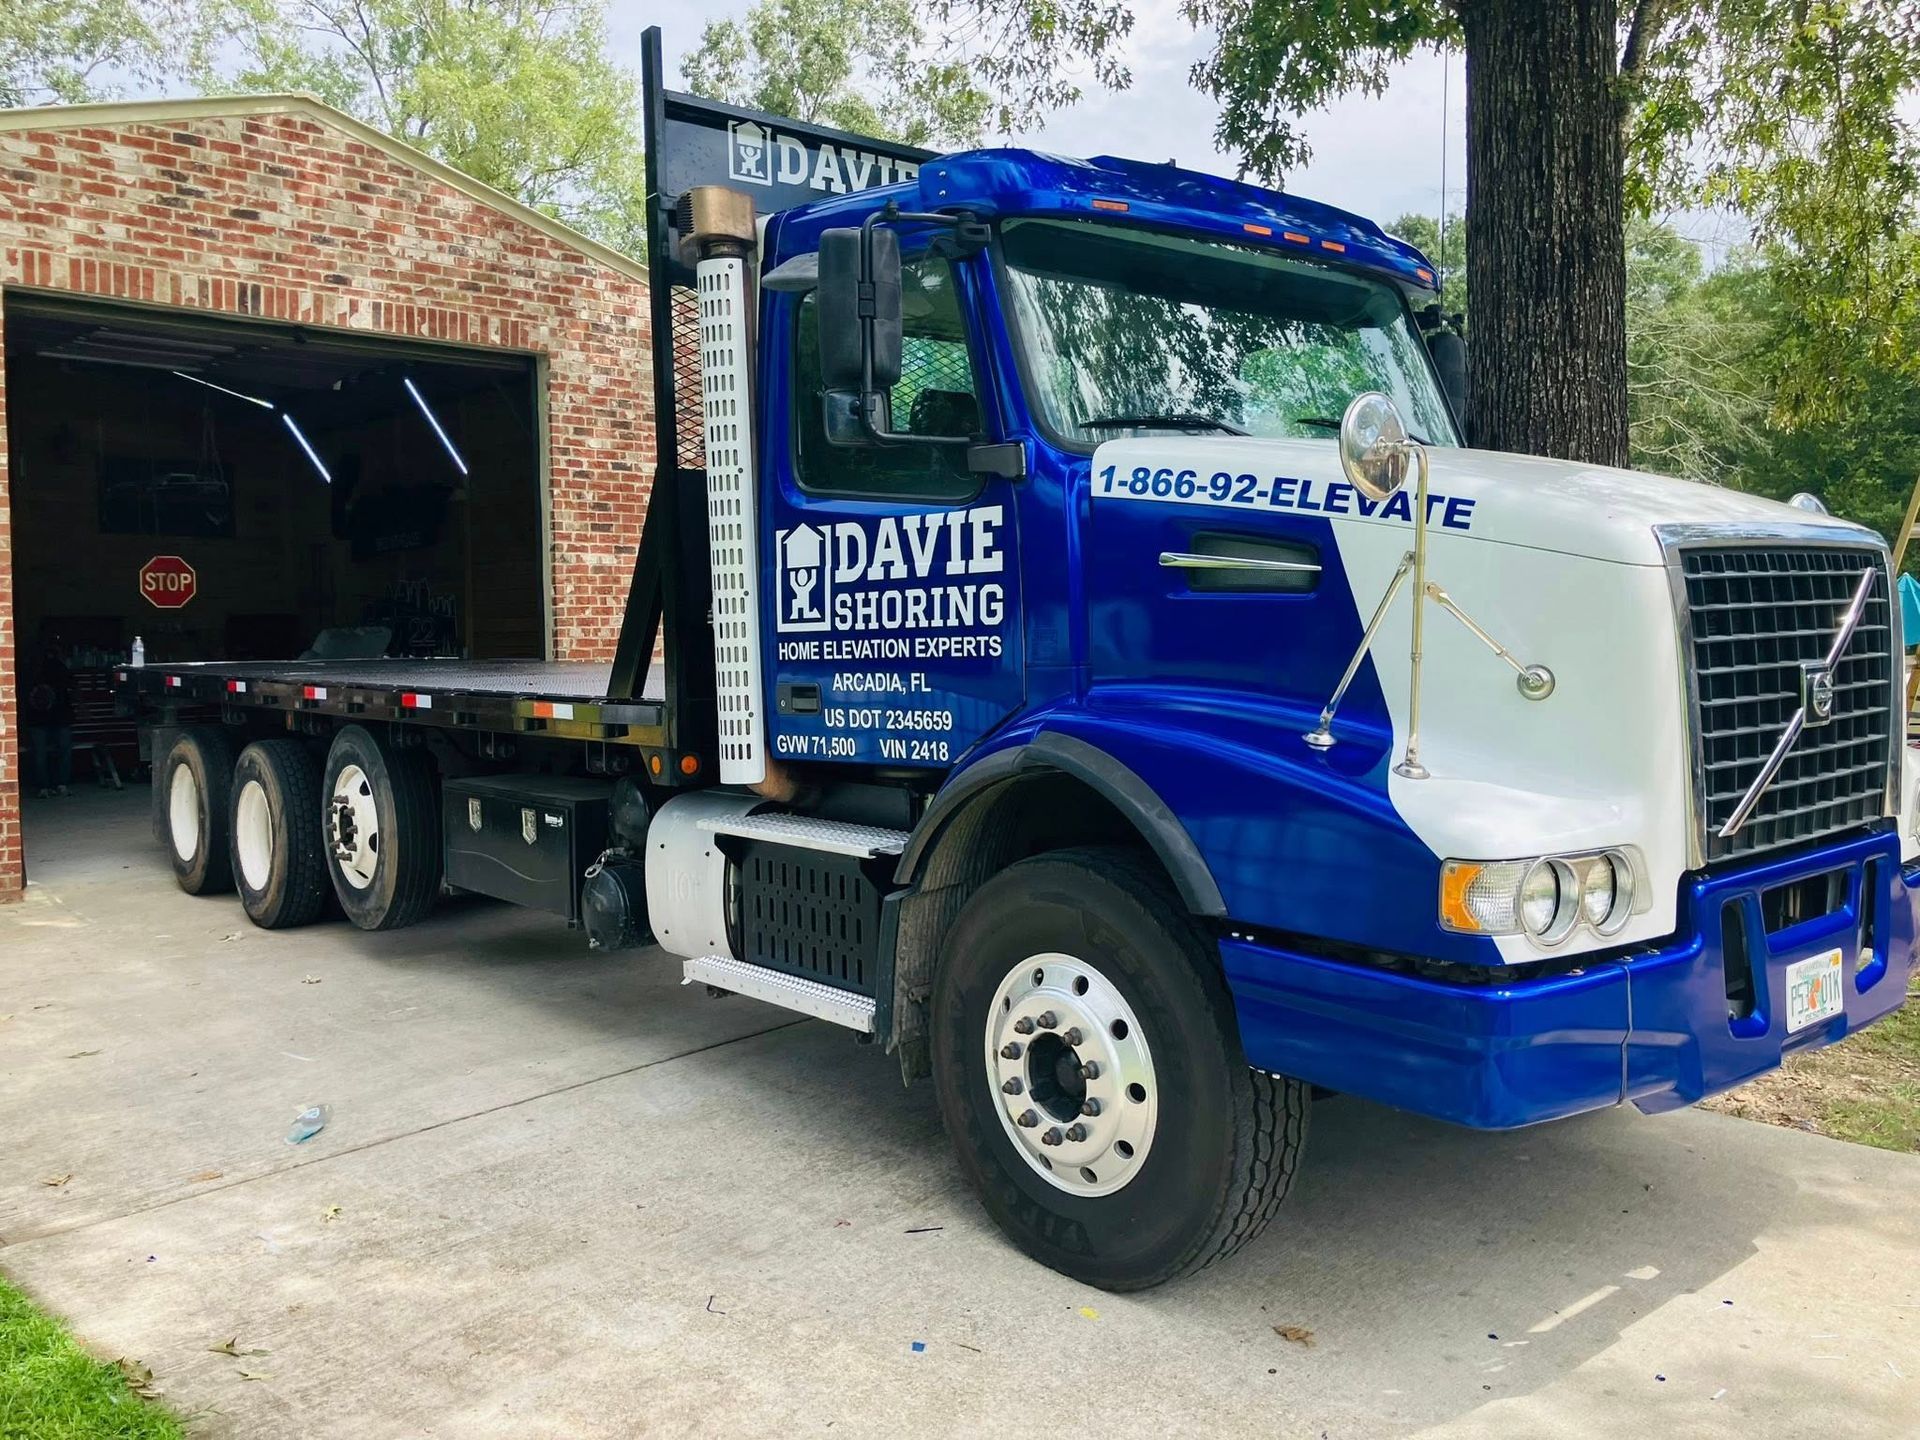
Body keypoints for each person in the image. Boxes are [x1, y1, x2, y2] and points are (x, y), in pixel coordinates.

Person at [22, 639, 75, 798]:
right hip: (59, 716)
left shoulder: (30, 668)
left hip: (38, 718)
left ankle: (43, 788)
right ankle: (61, 785)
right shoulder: (61, 667)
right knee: (63, 751)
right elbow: (73, 688)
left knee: (40, 753)